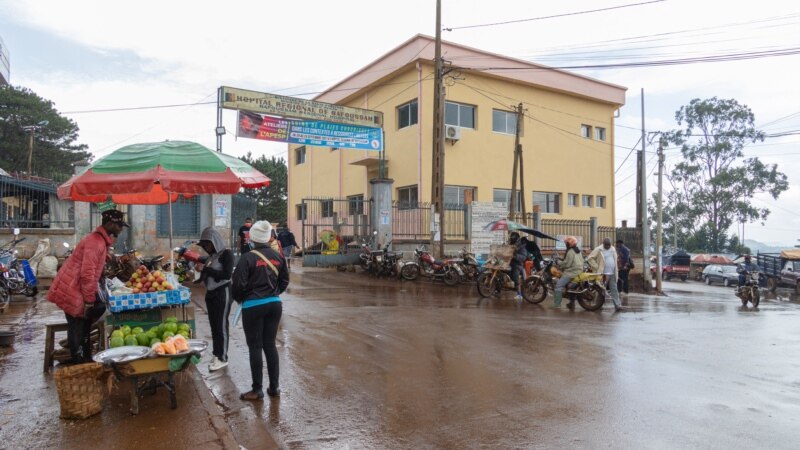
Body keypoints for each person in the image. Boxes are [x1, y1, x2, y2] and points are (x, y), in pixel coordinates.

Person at [48, 209, 129, 363]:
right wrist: (89, 300)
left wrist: (106, 258)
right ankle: (78, 363)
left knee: (84, 323)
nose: (121, 229)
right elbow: (87, 273)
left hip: (75, 286)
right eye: (119, 225)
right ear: (111, 224)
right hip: (73, 288)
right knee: (77, 326)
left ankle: (86, 358)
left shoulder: (99, 241)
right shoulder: (95, 242)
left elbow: (93, 261)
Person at [232, 220, 290, 400]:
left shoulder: (247, 258)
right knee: (270, 345)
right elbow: (284, 281)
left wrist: (243, 298)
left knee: (255, 347)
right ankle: (274, 388)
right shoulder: (278, 256)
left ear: (252, 239)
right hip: (275, 305)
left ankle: (257, 390)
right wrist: (272, 293)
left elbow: (237, 285)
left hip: (253, 306)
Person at [195, 227, 234, 371]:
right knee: (214, 326)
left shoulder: (226, 254)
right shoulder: (212, 257)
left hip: (222, 293)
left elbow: (226, 275)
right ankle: (217, 354)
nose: (206, 248)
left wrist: (205, 270)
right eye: (204, 246)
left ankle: (223, 357)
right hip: (211, 294)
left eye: (207, 244)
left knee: (221, 325)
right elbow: (208, 273)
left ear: (214, 241)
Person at [587, 238, 622, 311]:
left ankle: (617, 305)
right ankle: (599, 305)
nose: (608, 246)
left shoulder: (613, 249)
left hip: (612, 272)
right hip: (603, 274)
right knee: (601, 290)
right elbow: (590, 258)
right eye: (606, 245)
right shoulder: (598, 249)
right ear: (603, 244)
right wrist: (596, 266)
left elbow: (615, 259)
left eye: (609, 244)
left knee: (614, 289)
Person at [553, 236, 584, 309]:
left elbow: (567, 264)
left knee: (558, 286)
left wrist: (558, 262)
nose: (565, 244)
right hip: (579, 271)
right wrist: (561, 260)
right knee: (572, 288)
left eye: (566, 243)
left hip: (572, 272)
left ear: (569, 243)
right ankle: (571, 303)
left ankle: (557, 304)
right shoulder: (577, 250)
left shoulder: (570, 251)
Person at [508, 232, 527, 301]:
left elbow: (523, 257)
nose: (510, 239)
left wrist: (515, 256)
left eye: (512, 238)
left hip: (517, 264)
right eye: (510, 238)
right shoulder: (511, 245)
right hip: (509, 263)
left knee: (515, 278)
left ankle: (519, 294)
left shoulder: (521, 246)